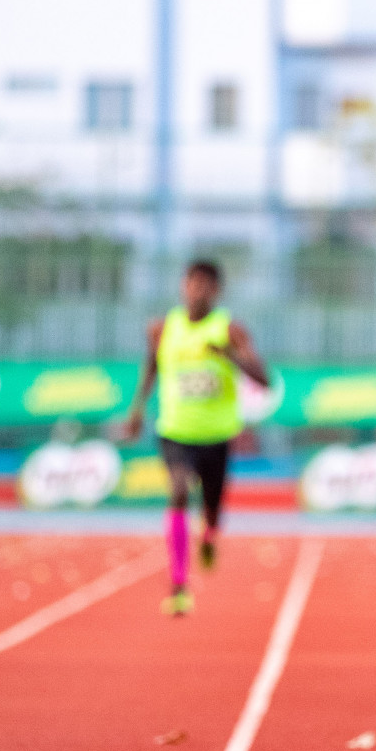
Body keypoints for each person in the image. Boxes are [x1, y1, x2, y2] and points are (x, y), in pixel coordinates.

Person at [124, 260, 269, 616]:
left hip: (217, 435)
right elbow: (152, 367)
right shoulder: (162, 328)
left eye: (205, 284)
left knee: (212, 511)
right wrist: (137, 410)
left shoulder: (230, 329)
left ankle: (208, 536)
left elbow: (264, 379)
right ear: (182, 285)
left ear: (216, 291)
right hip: (174, 431)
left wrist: (229, 355)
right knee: (177, 491)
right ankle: (178, 585)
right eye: (191, 282)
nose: (196, 289)